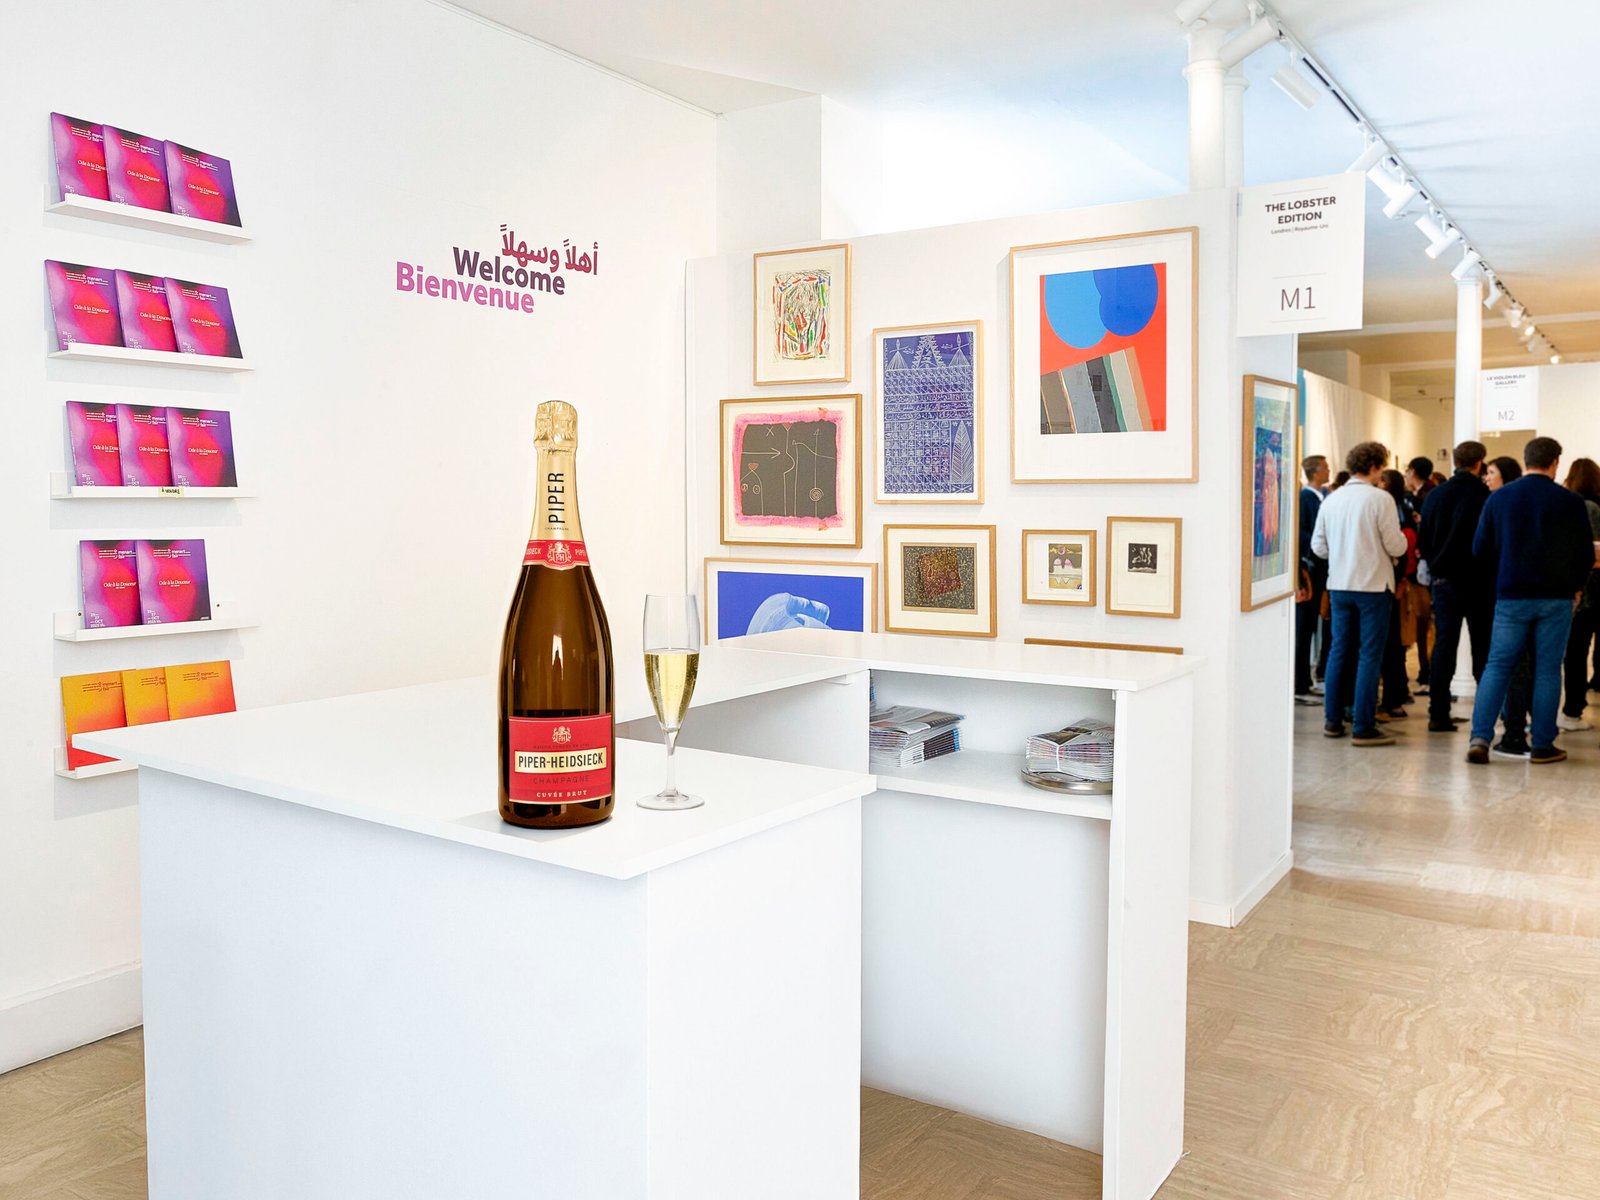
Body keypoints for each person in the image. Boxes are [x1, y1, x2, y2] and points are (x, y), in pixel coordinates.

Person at [1467, 437, 1596, 765]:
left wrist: (1502, 576)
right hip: (1555, 598)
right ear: (1554, 463)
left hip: (1511, 595)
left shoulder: (1499, 498)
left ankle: (1480, 738)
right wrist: (1575, 587)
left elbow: (1480, 549)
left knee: (1498, 666)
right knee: (1548, 669)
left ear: (1526, 461)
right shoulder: (1570, 501)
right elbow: (1585, 553)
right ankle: (1542, 744)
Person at [1312, 442, 1408, 746]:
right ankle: (1363, 725)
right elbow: (1396, 545)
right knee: (1369, 654)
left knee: (1339, 650)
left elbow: (1318, 547)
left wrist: (1343, 554)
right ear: (1376, 467)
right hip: (1373, 586)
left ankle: (1332, 720)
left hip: (1339, 584)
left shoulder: (1331, 499)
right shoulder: (1380, 499)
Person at [1418, 441, 1490, 732]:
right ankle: (1484, 716)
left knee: (1444, 646)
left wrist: (1434, 564)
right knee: (1482, 647)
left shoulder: (1436, 494)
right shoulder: (1483, 495)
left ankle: (1438, 712)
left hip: (1444, 580)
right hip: (1478, 580)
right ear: (1479, 463)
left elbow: (1424, 537)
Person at [1559, 457, 1600, 730]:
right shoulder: (1592, 507)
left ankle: (1573, 709)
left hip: (1583, 590)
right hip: (1592, 588)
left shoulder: (1578, 507)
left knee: (1575, 650)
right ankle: (1573, 708)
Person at [1294, 455, 1330, 704]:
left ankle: (1305, 681)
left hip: (1319, 571)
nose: (1329, 471)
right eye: (1325, 467)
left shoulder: (1320, 498)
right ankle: (1299, 683)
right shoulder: (1306, 499)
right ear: (1315, 472)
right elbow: (1303, 534)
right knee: (1304, 629)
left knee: (1310, 629)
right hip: (1310, 570)